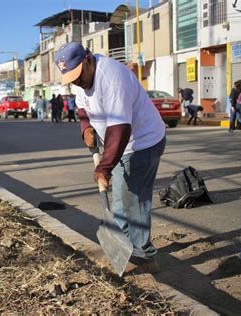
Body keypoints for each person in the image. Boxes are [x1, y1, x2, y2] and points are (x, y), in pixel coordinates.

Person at [54, 42, 166, 273]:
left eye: (77, 74)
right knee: (119, 201)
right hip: (117, 144)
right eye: (70, 77)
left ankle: (145, 256)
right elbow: (83, 109)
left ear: (88, 59)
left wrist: (103, 167)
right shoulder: (79, 80)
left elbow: (120, 128)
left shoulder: (112, 77)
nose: (76, 81)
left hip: (142, 142)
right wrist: (86, 128)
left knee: (133, 201)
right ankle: (126, 248)